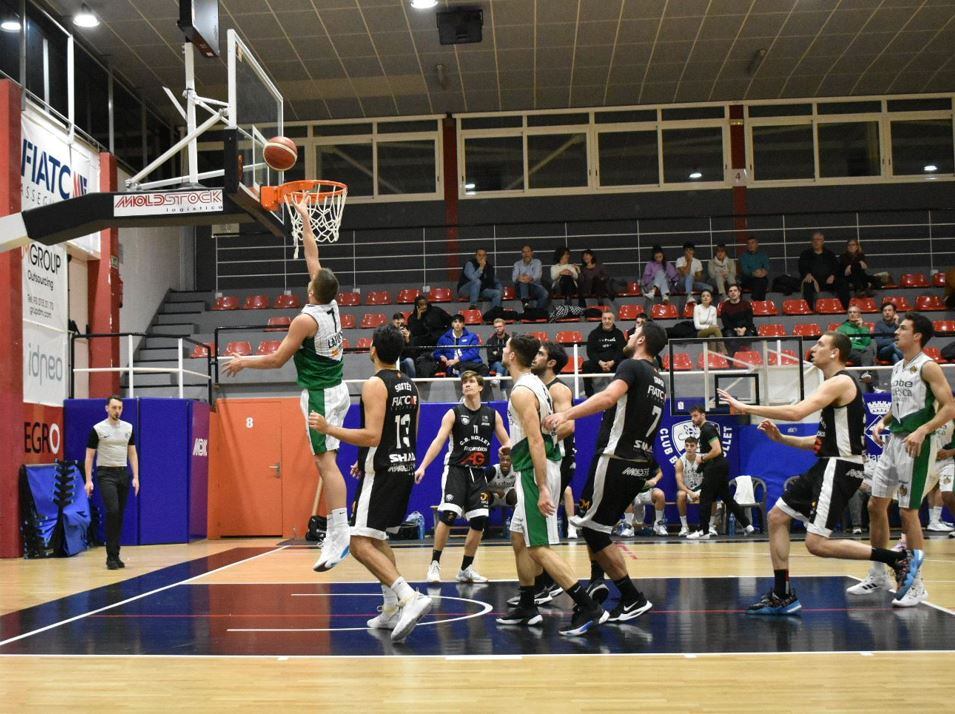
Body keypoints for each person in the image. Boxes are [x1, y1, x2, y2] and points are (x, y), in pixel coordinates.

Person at [717, 332, 920, 615]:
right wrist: (782, 440)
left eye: (821, 345)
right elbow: (818, 442)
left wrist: (744, 407)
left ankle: (896, 559)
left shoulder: (840, 381)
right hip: (827, 464)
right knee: (777, 517)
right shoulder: (834, 387)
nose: (814, 348)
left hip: (840, 467)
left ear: (835, 352)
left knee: (816, 544)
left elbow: (798, 412)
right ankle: (782, 593)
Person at [224, 198, 350, 573]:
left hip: (319, 395)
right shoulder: (332, 304)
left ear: (313, 290)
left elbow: (278, 360)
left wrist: (243, 361)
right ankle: (336, 530)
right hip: (337, 388)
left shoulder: (305, 319)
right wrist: (306, 221)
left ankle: (339, 533)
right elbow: (313, 256)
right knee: (330, 463)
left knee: (324, 464)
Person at [308, 324, 432, 642]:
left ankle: (408, 597)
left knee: (360, 544)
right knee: (377, 539)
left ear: (372, 350)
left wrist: (329, 428)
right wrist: (364, 461)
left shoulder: (375, 384)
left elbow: (373, 434)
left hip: (384, 472)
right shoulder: (411, 385)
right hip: (402, 466)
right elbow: (408, 433)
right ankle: (391, 608)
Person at [544, 321, 670, 623]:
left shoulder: (631, 366)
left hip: (617, 457)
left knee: (591, 529)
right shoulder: (659, 378)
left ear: (641, 340)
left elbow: (608, 397)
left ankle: (631, 597)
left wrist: (566, 413)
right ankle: (612, 588)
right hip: (639, 462)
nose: (628, 335)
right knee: (597, 528)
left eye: (634, 331)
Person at [495, 334, 607, 635]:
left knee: (539, 548)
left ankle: (588, 606)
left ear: (514, 356)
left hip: (536, 472)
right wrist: (514, 445)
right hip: (533, 464)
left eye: (507, 347)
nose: (503, 350)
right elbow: (536, 433)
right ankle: (528, 603)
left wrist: (543, 486)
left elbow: (536, 440)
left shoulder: (522, 391)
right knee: (519, 538)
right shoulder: (535, 385)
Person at [854, 312, 955, 606]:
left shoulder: (929, 367)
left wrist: (923, 431)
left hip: (917, 444)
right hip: (894, 441)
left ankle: (916, 583)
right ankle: (878, 573)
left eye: (902, 328)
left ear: (917, 336)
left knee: (909, 512)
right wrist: (882, 421)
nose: (896, 331)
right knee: (876, 504)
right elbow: (898, 406)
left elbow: (948, 408)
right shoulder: (898, 366)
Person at [415, 371, 510, 585]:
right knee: (448, 515)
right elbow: (438, 442)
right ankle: (434, 565)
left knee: (479, 521)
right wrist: (422, 466)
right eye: (464, 382)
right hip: (456, 469)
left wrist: (511, 454)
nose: (466, 385)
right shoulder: (453, 413)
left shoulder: (492, 415)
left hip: (479, 473)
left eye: (471, 382)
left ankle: (466, 569)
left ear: (480, 387)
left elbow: (507, 443)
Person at [84, 396, 139, 570]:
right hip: (105, 473)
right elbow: (89, 456)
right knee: (112, 510)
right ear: (107, 408)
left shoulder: (128, 428)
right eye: (114, 407)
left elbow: (132, 453)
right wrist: (88, 480)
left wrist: (136, 477)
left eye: (120, 408)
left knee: (119, 515)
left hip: (122, 473)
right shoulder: (98, 429)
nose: (117, 411)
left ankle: (116, 553)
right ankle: (110, 556)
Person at [686, 404, 755, 539]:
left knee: (705, 498)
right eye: (691, 417)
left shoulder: (707, 429)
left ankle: (703, 531)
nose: (693, 419)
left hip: (715, 467)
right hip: (719, 466)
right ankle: (747, 525)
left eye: (695, 416)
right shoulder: (706, 430)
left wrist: (703, 458)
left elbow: (717, 450)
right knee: (727, 498)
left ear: (703, 415)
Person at [534, 341, 578, 539]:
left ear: (551, 362)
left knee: (544, 516)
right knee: (536, 516)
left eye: (540, 354)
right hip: (546, 456)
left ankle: (550, 564)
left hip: (558, 458)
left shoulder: (558, 389)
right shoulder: (537, 387)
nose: (534, 357)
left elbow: (568, 425)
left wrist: (538, 444)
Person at [798, 231, 850, 311]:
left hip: (828, 281)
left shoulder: (830, 254)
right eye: (814, 240)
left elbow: (836, 267)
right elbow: (802, 267)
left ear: (823, 241)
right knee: (807, 283)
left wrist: (833, 275)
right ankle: (809, 310)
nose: (816, 242)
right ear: (811, 242)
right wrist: (807, 274)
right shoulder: (805, 254)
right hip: (813, 281)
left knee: (842, 282)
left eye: (818, 239)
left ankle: (847, 309)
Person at [582, 309, 626, 397]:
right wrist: (600, 362)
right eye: (605, 319)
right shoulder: (594, 334)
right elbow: (590, 352)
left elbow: (621, 351)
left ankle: (624, 392)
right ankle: (589, 395)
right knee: (586, 365)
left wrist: (613, 362)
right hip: (599, 363)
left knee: (626, 364)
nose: (607, 321)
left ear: (613, 320)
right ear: (601, 320)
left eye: (609, 319)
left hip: (614, 363)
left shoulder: (618, 334)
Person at [674, 435, 709, 537]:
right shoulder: (680, 461)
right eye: (687, 445)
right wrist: (690, 492)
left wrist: (702, 491)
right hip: (687, 490)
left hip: (701, 488)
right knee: (680, 495)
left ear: (696, 447)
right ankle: (684, 527)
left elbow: (709, 477)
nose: (689, 448)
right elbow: (679, 483)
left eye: (692, 445)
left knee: (712, 494)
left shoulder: (702, 458)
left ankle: (710, 526)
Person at [835, 305, 876, 389]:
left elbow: (866, 343)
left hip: (860, 353)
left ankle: (865, 376)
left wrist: (861, 328)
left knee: (868, 353)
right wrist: (860, 347)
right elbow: (843, 344)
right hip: (848, 351)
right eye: (850, 312)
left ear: (859, 314)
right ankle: (872, 386)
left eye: (854, 312)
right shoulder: (842, 328)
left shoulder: (864, 329)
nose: (852, 314)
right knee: (868, 356)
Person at [720, 284, 757, 351]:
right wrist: (736, 330)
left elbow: (749, 320)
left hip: (746, 328)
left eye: (735, 290)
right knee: (730, 337)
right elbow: (725, 323)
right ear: (728, 294)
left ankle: (746, 356)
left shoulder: (746, 304)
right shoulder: (725, 306)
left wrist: (743, 329)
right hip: (731, 329)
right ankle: (736, 357)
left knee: (749, 336)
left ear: (739, 293)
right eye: (730, 291)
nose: (733, 293)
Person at [512, 244, 550, 309]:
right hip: (520, 289)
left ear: (532, 253)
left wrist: (528, 278)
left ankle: (537, 312)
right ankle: (526, 306)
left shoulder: (537, 262)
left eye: (528, 251)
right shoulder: (517, 264)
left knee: (545, 294)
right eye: (524, 252)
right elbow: (514, 278)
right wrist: (520, 278)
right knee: (523, 283)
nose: (526, 254)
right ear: (522, 254)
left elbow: (537, 276)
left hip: (534, 286)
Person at [693, 289, 726, 354]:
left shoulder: (713, 309)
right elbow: (697, 326)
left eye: (708, 296)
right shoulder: (697, 308)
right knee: (715, 329)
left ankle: (712, 358)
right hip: (699, 333)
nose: (705, 297)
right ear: (701, 298)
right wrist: (709, 326)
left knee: (712, 337)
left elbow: (714, 324)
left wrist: (711, 327)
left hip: (711, 332)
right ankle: (724, 351)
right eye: (703, 296)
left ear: (711, 299)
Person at [739, 236, 770, 301]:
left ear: (757, 244)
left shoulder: (763, 255)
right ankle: (760, 303)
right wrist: (755, 273)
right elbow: (745, 271)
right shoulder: (743, 256)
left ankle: (755, 299)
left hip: (760, 278)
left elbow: (766, 268)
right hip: (748, 279)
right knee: (761, 282)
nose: (750, 245)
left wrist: (762, 273)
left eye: (752, 243)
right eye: (748, 243)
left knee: (762, 281)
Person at [392, 313, 416, 378]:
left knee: (409, 361)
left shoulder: (407, 332)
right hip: (392, 361)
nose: (399, 326)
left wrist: (407, 339)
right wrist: (397, 336)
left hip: (403, 360)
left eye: (401, 324)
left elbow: (412, 353)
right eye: (397, 323)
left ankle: (412, 383)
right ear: (393, 322)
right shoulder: (389, 332)